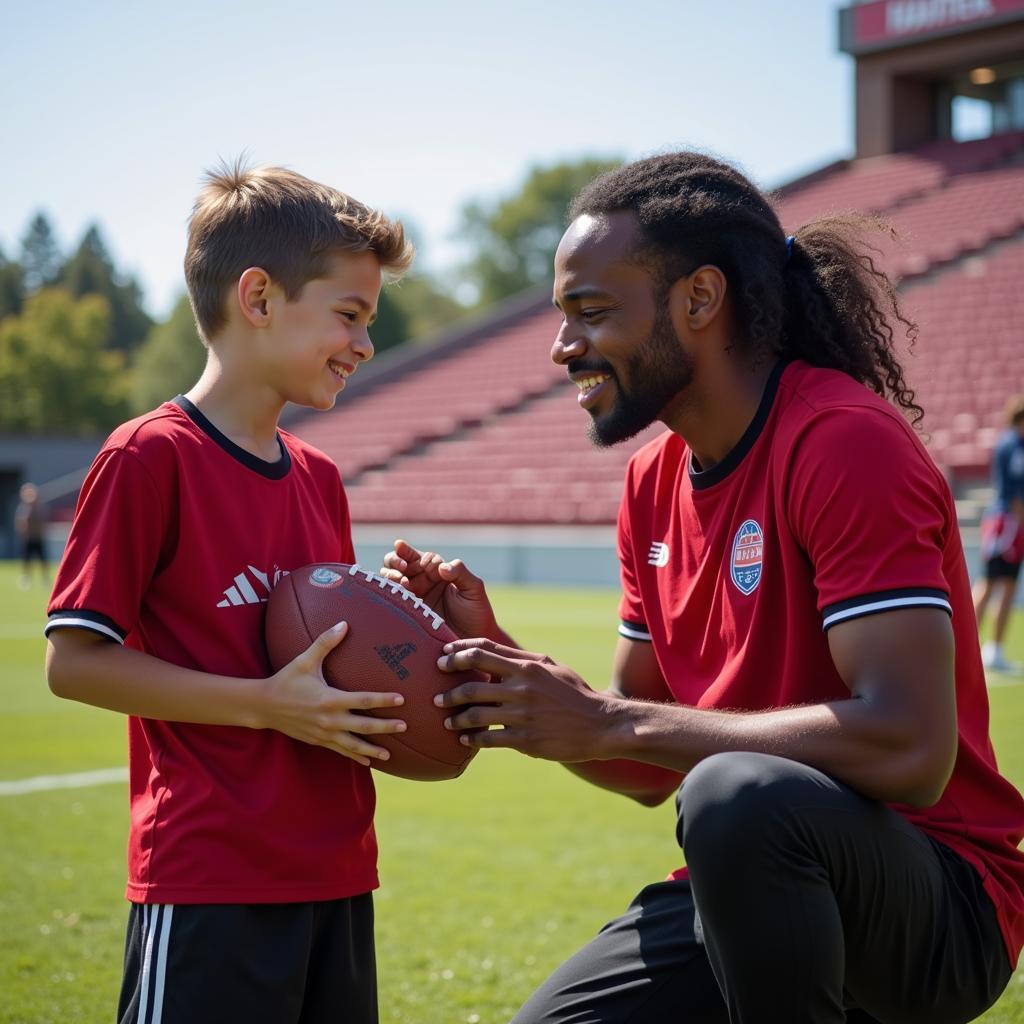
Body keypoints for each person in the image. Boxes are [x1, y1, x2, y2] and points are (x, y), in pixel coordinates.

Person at [382, 153, 1024, 1024]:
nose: (563, 346)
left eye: (592, 312)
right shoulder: (652, 481)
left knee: (732, 794)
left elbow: (911, 751)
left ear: (699, 299)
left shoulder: (841, 442)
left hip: (937, 898)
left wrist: (613, 720)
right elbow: (642, 765)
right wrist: (510, 672)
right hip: (749, 879)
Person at [45, 163, 413, 1024]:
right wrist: (263, 706)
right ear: (258, 297)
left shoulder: (320, 477)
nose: (364, 344)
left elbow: (330, 666)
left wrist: (414, 648)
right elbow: (74, 663)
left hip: (336, 869)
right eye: (350, 316)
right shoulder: (150, 457)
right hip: (210, 874)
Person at [973, 395, 1024, 672]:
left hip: (1011, 523)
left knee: (1008, 585)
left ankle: (994, 649)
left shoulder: (1015, 444)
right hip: (1006, 523)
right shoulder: (1012, 445)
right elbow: (1015, 493)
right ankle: (969, 643)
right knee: (991, 582)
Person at [15, 481, 49, 588]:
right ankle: (26, 578)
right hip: (29, 539)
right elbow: (20, 523)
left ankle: (45, 579)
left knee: (43, 560)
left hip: (38, 538)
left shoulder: (39, 507)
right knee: (27, 560)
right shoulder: (24, 508)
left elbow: (43, 522)